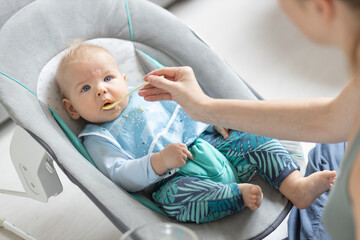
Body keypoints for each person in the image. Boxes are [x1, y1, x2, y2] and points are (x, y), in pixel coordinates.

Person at [138, 0, 360, 238]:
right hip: (185, 172)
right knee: (327, 151)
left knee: (263, 141)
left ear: (321, 7)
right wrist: (205, 107)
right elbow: (332, 116)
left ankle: (277, 187)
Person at [55, 42, 335, 224]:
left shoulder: (147, 95)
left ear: (124, 79)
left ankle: (295, 185)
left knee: (256, 139)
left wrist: (212, 120)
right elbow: (119, 173)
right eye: (86, 88)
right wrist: (159, 162)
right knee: (176, 201)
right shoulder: (96, 137)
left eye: (107, 78)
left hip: (210, 144)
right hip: (171, 179)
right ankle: (232, 194)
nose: (102, 90)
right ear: (72, 109)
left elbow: (189, 106)